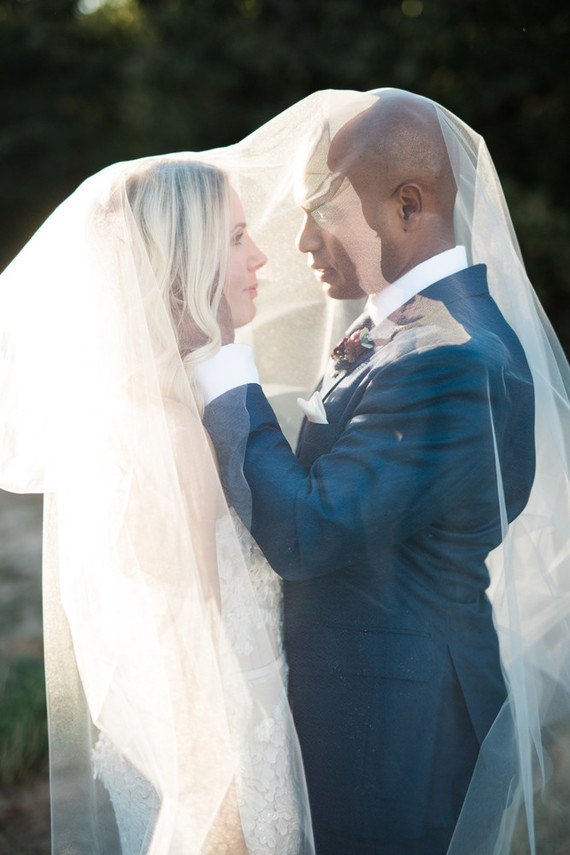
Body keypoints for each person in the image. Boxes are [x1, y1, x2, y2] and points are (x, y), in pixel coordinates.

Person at [191, 89, 570, 855]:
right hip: (367, 708)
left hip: (398, 734)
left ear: (408, 205)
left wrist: (223, 362)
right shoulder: (405, 329)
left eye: (324, 211)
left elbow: (308, 530)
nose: (301, 240)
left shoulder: (451, 358)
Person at [0, 157, 314, 854]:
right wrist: (227, 825)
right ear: (184, 262)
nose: (260, 255)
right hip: (220, 793)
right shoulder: (164, 433)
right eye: (236, 237)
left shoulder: (146, 411)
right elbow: (188, 683)